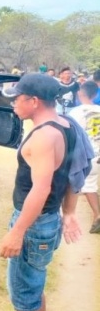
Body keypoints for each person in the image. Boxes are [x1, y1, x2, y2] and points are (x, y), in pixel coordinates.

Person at [0, 74, 83, 311]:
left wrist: (17, 232)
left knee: (24, 295)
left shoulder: (44, 137)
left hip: (35, 225)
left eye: (17, 98)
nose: (13, 103)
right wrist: (68, 212)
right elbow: (74, 171)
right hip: (47, 221)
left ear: (33, 101)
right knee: (34, 284)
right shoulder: (65, 125)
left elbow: (41, 189)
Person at [68, 81, 100, 233]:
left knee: (87, 186)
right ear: (95, 95)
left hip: (86, 155)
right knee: (90, 185)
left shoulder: (75, 113)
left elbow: (70, 134)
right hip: (98, 154)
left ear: (80, 94)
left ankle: (98, 215)